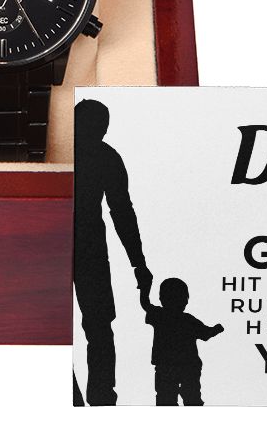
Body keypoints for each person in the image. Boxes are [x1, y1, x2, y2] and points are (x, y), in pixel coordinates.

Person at [73, 99, 152, 406]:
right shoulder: (106, 156)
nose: (99, 131)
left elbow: (122, 212)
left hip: (86, 245)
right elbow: (122, 212)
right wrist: (138, 264)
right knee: (99, 327)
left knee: (98, 326)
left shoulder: (104, 157)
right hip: (87, 244)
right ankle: (99, 398)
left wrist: (139, 263)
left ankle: (99, 398)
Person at [140, 277, 224, 406]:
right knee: (190, 399)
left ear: (162, 298)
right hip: (187, 367)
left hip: (167, 367)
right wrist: (216, 329)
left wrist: (145, 287)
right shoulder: (188, 320)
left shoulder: (159, 315)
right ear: (185, 299)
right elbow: (206, 333)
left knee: (167, 399)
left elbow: (145, 303)